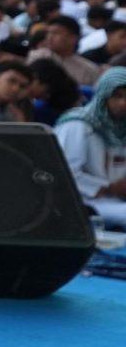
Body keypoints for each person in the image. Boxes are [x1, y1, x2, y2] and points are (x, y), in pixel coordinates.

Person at [55, 67, 126, 228]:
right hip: (85, 203)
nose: (123, 103)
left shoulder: (122, 127)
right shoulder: (78, 124)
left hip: (116, 200)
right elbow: (64, 174)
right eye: (117, 96)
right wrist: (109, 188)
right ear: (103, 96)